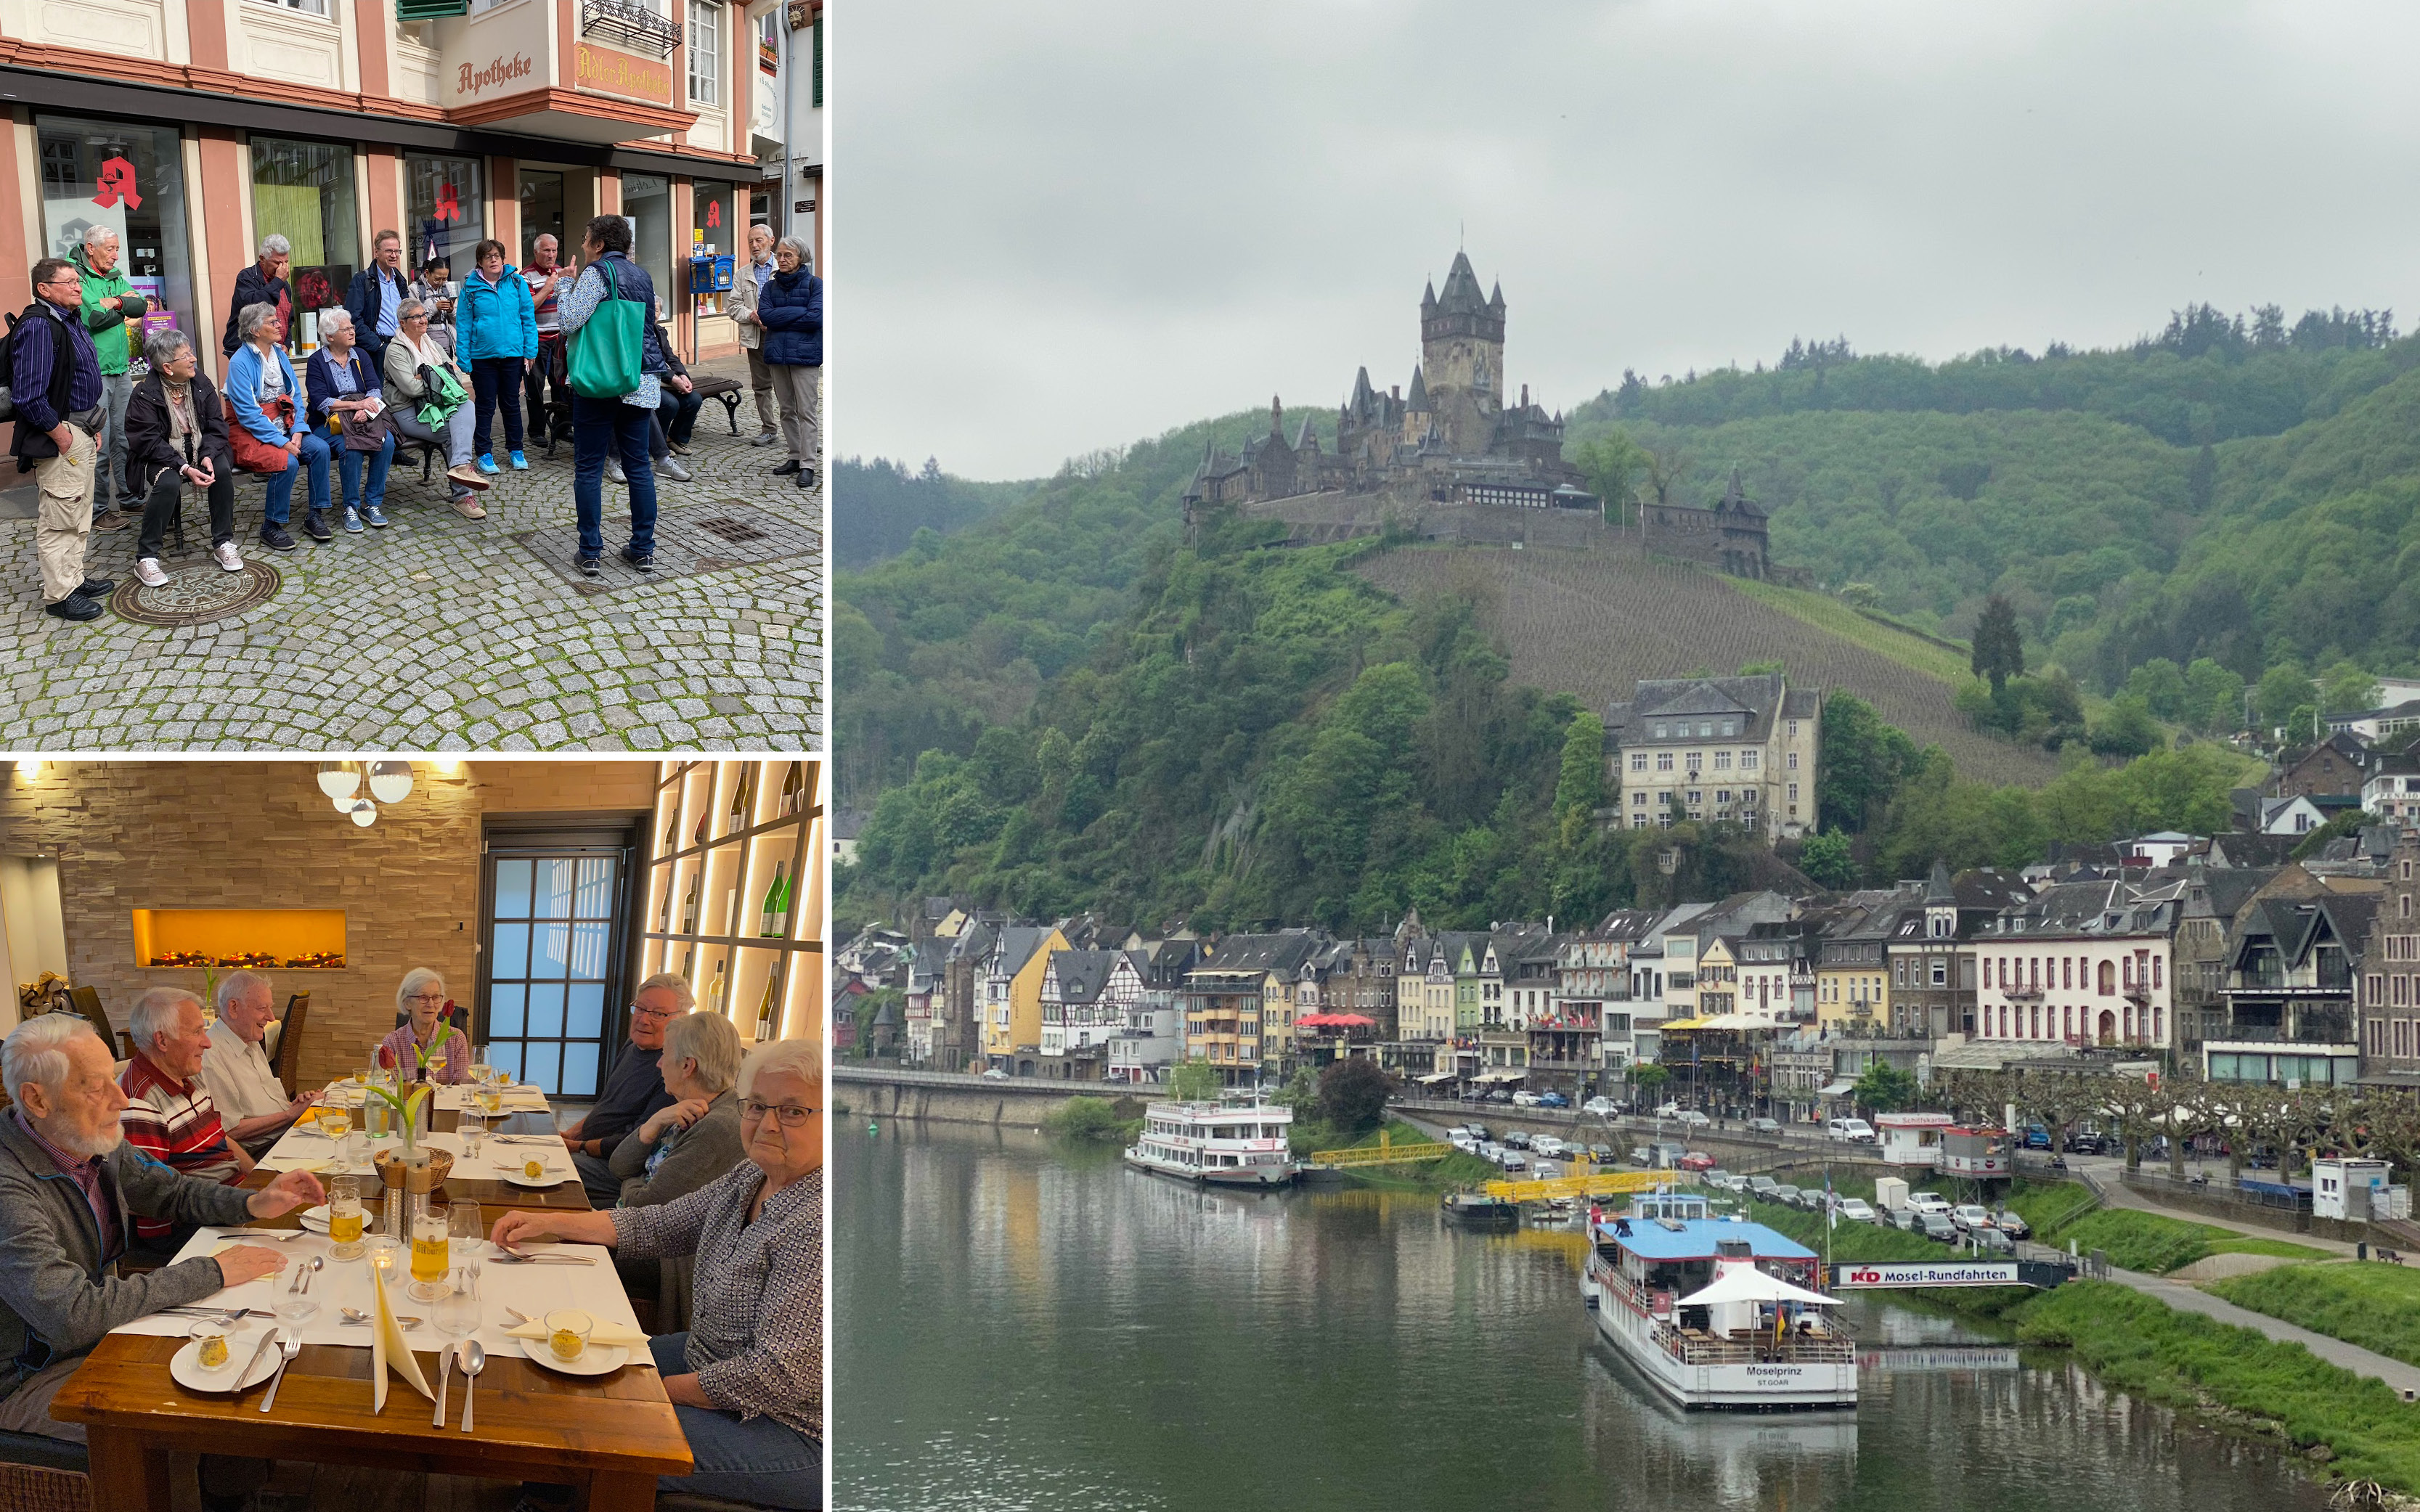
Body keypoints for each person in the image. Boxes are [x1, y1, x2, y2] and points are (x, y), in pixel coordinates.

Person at [493, 1039, 821, 1509]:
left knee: (611, 1428)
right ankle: (542, 1495)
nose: (768, 1123)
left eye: (793, 1111)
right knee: (568, 1372)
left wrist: (655, 1393)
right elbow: (658, 1223)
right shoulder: (749, 1177)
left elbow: (778, 1375)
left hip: (791, 1428)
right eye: (758, 1106)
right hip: (706, 1359)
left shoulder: (817, 1220)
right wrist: (550, 1222)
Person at [0, 1013, 321, 1447]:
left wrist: (251, 1203)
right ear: (36, 1100)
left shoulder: (86, 1138)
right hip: (28, 1375)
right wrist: (212, 1271)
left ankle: (226, 1488)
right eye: (96, 1087)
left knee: (236, 1356)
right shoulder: (9, 1187)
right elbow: (72, 1315)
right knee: (184, 1415)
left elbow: (168, 1192)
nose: (120, 1099)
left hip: (97, 1335)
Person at [557, 213, 661, 576]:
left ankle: (590, 553)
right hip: (640, 378)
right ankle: (643, 550)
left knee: (588, 466)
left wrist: (563, 287)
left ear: (599, 245)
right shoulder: (643, 275)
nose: (583, 245)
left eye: (586, 239)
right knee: (639, 466)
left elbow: (569, 321)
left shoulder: (596, 273)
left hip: (600, 381)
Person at [9, 258, 111, 621]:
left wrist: (92, 425)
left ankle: (74, 579)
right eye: (68, 282)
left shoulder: (70, 320)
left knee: (79, 512)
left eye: (77, 281)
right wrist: (62, 435)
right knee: (58, 518)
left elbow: (78, 382)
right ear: (44, 289)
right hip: (62, 437)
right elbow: (28, 395)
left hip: (81, 429)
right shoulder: (39, 327)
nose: (77, 286)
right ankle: (59, 596)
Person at [118, 987, 256, 1242]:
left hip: (231, 1203)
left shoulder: (187, 1074)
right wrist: (251, 1204)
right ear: (162, 1041)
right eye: (197, 1032)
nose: (208, 1041)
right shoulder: (140, 1104)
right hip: (196, 1230)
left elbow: (222, 1140)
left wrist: (260, 1182)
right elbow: (150, 1198)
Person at [125, 329, 243, 585]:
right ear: (168, 367)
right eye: (186, 355)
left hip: (202, 449)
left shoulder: (200, 383)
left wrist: (209, 455)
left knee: (220, 471)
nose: (193, 359)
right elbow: (148, 442)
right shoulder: (144, 394)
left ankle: (223, 542)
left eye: (191, 352)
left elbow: (216, 426)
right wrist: (184, 468)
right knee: (168, 483)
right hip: (161, 456)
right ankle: (146, 558)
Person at [560, 973, 686, 1202]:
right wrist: (569, 1134)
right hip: (589, 1151)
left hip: (617, 1167)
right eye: (640, 1009)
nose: (644, 1020)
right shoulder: (633, 1046)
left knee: (542, 1165)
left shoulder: (671, 1069)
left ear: (681, 1019)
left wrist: (576, 1146)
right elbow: (607, 1106)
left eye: (658, 1014)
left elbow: (635, 1144)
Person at [608, 1010, 744, 1209]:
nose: (659, 1063)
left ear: (687, 1066)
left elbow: (644, 1205)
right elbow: (618, 1166)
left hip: (642, 1233)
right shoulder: (686, 1106)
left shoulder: (716, 1128)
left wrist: (631, 1180)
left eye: (664, 1054)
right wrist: (655, 1121)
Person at [224, 301, 331, 550]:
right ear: (255, 330)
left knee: (321, 449)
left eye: (277, 320)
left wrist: (297, 432)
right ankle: (271, 525)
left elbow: (295, 397)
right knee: (288, 462)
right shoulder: (239, 362)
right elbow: (249, 414)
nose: (279, 325)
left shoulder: (280, 354)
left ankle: (315, 515)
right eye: (272, 322)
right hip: (250, 433)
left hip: (286, 425)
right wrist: (282, 442)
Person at [384, 297, 490, 517]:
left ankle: (461, 469)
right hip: (407, 412)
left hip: (437, 406)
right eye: (417, 317)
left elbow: (456, 374)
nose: (423, 320)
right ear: (403, 322)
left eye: (424, 315)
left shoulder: (431, 343)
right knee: (456, 433)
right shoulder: (395, 351)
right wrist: (440, 375)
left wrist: (428, 376)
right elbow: (411, 390)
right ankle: (463, 495)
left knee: (467, 405)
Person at [197, 970, 319, 1159]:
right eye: (263, 1009)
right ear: (234, 1008)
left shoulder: (250, 1040)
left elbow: (264, 1103)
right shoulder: (212, 1056)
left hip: (283, 1133)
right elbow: (231, 1131)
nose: (271, 1017)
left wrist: (297, 1105)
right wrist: (291, 1114)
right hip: (260, 1151)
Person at [68, 224, 140, 528]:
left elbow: (142, 304)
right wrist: (121, 306)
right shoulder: (77, 277)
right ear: (91, 248)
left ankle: (128, 497)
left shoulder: (115, 275)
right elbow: (93, 318)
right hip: (93, 374)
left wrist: (116, 302)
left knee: (124, 439)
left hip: (121, 370)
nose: (116, 254)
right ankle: (98, 511)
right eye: (110, 249)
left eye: (117, 248)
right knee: (99, 444)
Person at [306, 306, 396, 533]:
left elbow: (375, 388)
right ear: (329, 336)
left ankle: (372, 504)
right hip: (330, 423)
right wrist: (357, 405)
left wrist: (368, 410)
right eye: (345, 329)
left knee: (388, 442)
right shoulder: (317, 361)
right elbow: (321, 401)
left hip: (363, 416)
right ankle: (351, 507)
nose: (352, 332)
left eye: (352, 327)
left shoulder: (361, 355)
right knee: (351, 447)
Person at [456, 237, 537, 475]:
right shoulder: (470, 288)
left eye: (497, 256)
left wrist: (530, 350)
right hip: (482, 357)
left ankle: (516, 450)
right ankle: (484, 453)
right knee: (485, 406)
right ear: (480, 262)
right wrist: (464, 358)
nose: (494, 260)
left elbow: (527, 317)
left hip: (512, 354)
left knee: (512, 404)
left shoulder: (516, 282)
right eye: (488, 256)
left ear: (503, 258)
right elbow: (464, 324)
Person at [759, 234, 820, 490]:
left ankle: (808, 464)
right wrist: (798, 313)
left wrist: (780, 317)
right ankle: (794, 457)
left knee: (806, 411)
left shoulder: (815, 285)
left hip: (805, 355)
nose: (782, 259)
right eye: (780, 255)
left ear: (800, 258)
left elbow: (816, 318)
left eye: (788, 255)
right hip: (777, 354)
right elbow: (764, 316)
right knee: (786, 409)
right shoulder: (770, 287)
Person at [608, 317, 698, 486]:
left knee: (692, 399)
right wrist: (672, 377)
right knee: (628, 403)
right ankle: (618, 461)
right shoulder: (620, 325)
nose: (654, 315)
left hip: (644, 379)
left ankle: (669, 446)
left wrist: (681, 375)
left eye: (656, 310)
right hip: (608, 379)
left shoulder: (657, 330)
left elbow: (666, 357)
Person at [728, 224, 781, 447]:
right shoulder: (742, 274)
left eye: (759, 240)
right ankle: (769, 430)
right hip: (756, 338)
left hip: (781, 337)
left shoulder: (785, 268)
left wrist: (774, 318)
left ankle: (800, 434)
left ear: (771, 241)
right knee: (761, 387)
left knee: (788, 387)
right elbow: (732, 306)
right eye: (750, 241)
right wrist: (752, 315)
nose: (754, 245)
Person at [521, 234, 571, 444]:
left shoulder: (562, 272)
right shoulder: (526, 276)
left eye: (554, 250)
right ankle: (537, 431)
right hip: (537, 341)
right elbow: (529, 306)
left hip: (560, 340)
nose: (551, 255)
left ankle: (561, 428)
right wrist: (551, 284)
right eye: (546, 250)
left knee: (562, 386)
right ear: (536, 252)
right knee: (535, 387)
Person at [379, 968, 469, 1084]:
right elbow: (391, 1088)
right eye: (423, 997)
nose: (431, 1004)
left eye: (436, 997)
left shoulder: (456, 1039)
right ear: (407, 1003)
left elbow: (461, 1087)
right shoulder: (392, 1043)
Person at [344, 229, 414, 375]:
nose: (394, 255)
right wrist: (378, 345)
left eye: (397, 251)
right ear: (376, 252)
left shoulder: (400, 280)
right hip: (377, 350)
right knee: (381, 393)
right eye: (389, 251)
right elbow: (352, 319)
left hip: (402, 345)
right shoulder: (363, 280)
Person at [220, 234, 291, 359]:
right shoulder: (246, 277)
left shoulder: (284, 285)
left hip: (276, 353)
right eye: (277, 262)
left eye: (286, 262)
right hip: (248, 352)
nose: (283, 267)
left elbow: (288, 320)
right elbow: (255, 307)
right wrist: (278, 282)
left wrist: (286, 344)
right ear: (262, 259)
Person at [410, 256, 457, 351]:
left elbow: (457, 320)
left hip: (449, 338)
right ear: (427, 273)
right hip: (427, 340)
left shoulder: (446, 288)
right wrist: (435, 308)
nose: (440, 283)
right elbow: (413, 319)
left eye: (444, 279)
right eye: (437, 279)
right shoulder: (415, 289)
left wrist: (451, 311)